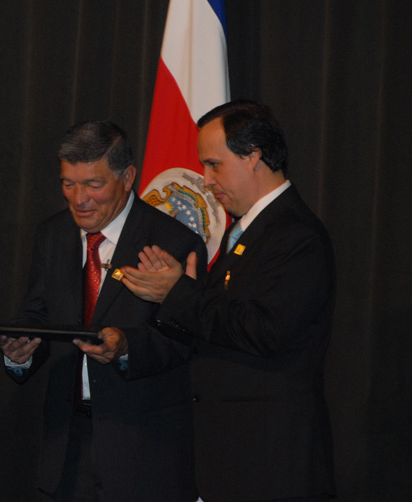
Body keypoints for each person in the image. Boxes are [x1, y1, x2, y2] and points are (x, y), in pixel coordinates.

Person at [118, 101, 336, 501]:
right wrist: (175, 290)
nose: (205, 179)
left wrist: (178, 292)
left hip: (268, 463)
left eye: (214, 164)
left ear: (253, 155)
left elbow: (264, 331)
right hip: (229, 461)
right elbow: (214, 328)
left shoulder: (294, 235)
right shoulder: (251, 232)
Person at [0, 120, 208, 501]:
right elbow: (38, 314)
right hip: (67, 449)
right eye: (68, 183)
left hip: (143, 450)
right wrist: (20, 347)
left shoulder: (174, 241)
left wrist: (126, 346)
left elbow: (185, 340)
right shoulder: (53, 234)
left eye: (93, 185)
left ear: (127, 178)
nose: (79, 199)